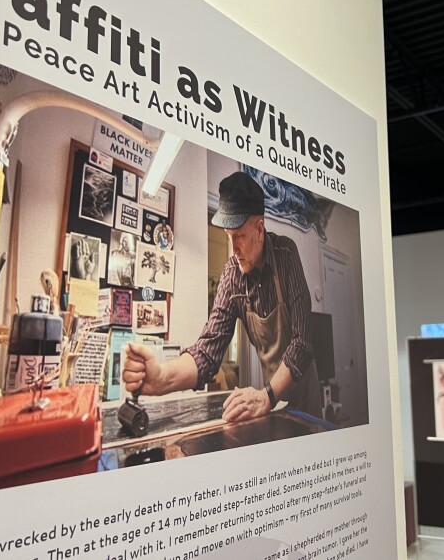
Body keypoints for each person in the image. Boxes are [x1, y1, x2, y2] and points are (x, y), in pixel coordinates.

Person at [123, 171, 321, 422]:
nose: (234, 249)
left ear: (259, 229)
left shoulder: (286, 254)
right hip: (271, 400)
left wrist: (265, 396)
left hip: (303, 396)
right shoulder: (232, 275)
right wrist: (160, 376)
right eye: (229, 237)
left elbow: (303, 342)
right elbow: (207, 352)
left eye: (239, 236)